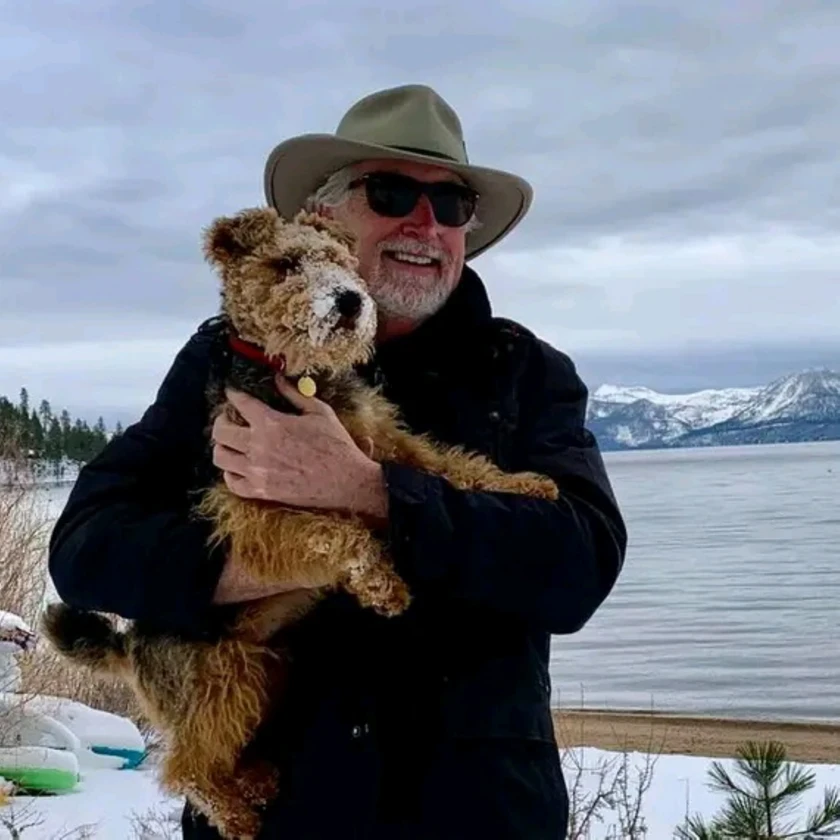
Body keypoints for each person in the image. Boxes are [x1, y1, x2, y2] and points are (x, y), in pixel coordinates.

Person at [48, 84, 627, 839]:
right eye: (391, 193)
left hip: (475, 813)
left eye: (451, 203)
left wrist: (369, 491)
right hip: (282, 814)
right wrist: (262, 566)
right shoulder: (223, 358)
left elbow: (580, 565)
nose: (426, 222)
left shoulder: (525, 370)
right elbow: (85, 549)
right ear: (325, 218)